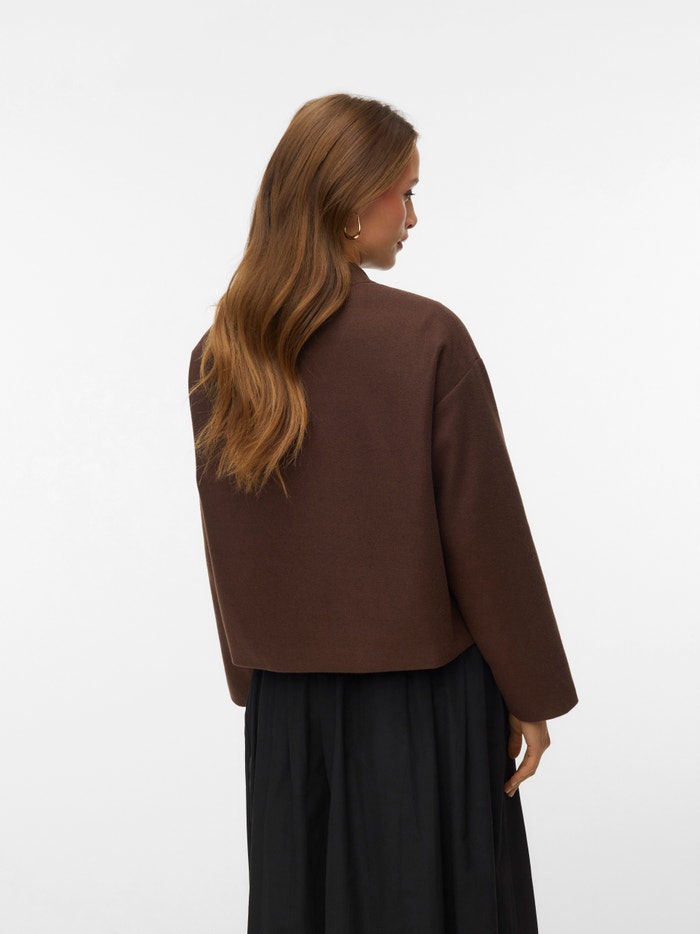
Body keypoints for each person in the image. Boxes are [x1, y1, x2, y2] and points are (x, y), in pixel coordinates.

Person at [188, 93, 577, 934]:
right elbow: (486, 536)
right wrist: (530, 690)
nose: (412, 217)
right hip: (423, 708)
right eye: (404, 193)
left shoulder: (224, 353)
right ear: (346, 201)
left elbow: (229, 540)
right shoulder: (425, 338)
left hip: (288, 715)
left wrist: (255, 678)